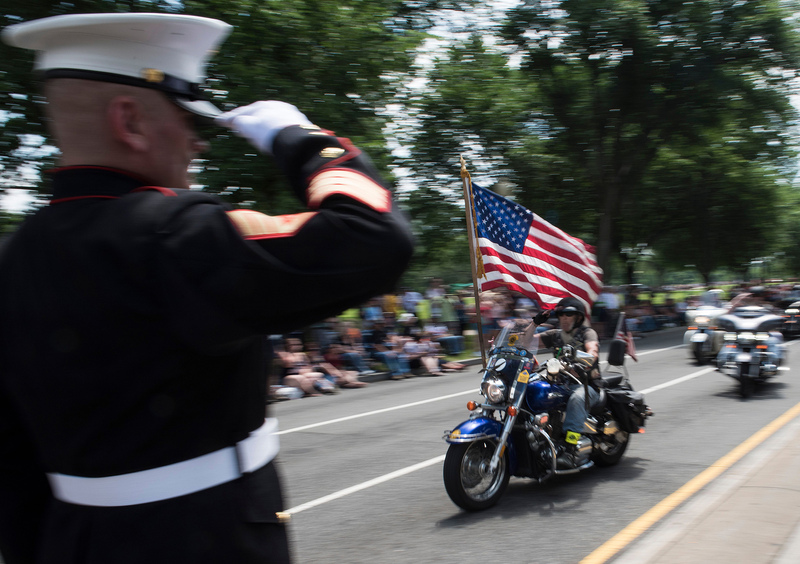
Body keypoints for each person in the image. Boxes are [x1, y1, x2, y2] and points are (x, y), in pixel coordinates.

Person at [0, 12, 413, 564]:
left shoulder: (14, 257)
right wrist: (300, 142)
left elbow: (15, 464)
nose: (199, 144)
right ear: (130, 121)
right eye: (187, 118)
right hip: (204, 537)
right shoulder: (175, 235)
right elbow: (376, 237)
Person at [523, 296, 600, 469]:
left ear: (578, 317)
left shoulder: (587, 333)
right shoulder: (555, 335)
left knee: (577, 399)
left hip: (586, 385)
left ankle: (571, 450)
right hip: (561, 385)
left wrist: (583, 362)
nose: (564, 318)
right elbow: (525, 341)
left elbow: (592, 350)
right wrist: (535, 323)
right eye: (561, 315)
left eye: (568, 314)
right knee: (532, 389)